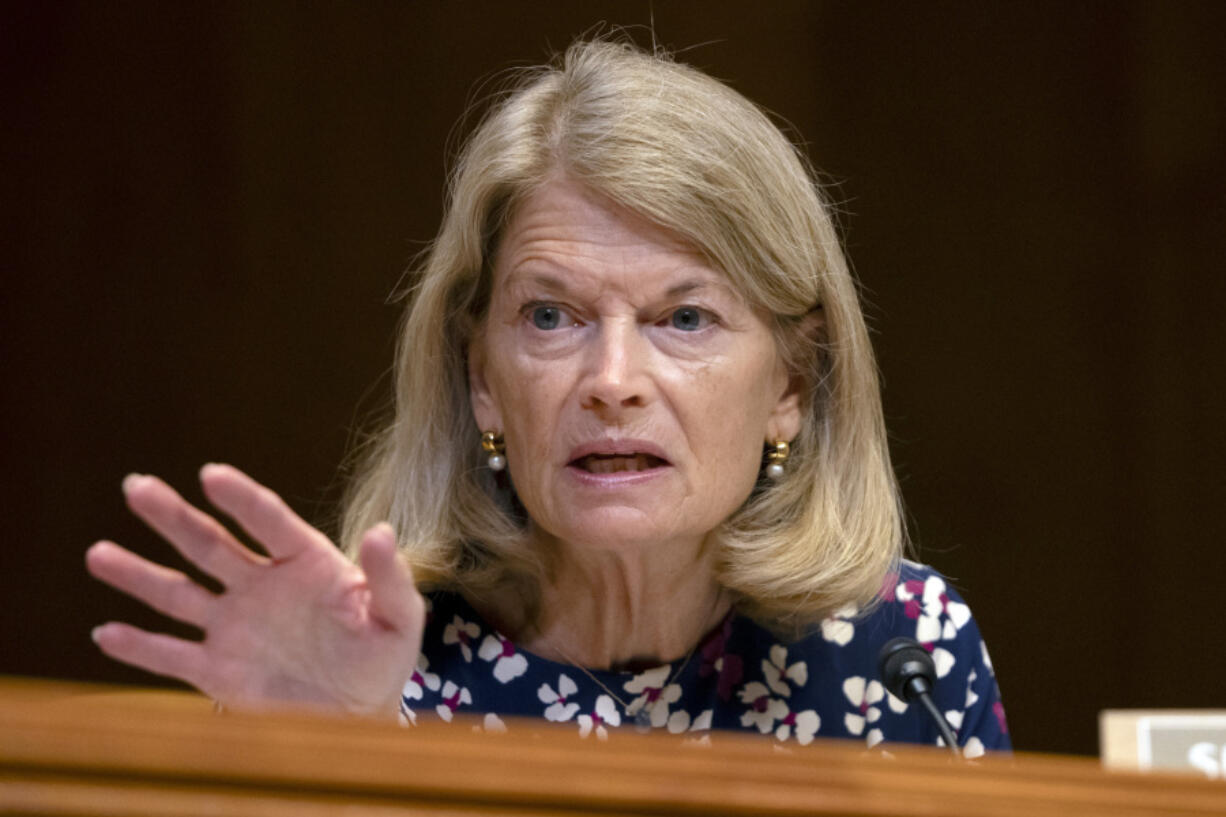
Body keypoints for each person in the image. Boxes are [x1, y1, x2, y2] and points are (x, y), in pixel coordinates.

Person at [86, 38, 1009, 754]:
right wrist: (320, 758)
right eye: (550, 317)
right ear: (483, 382)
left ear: (792, 386)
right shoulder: (360, 663)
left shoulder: (904, 655)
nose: (610, 382)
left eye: (684, 318)